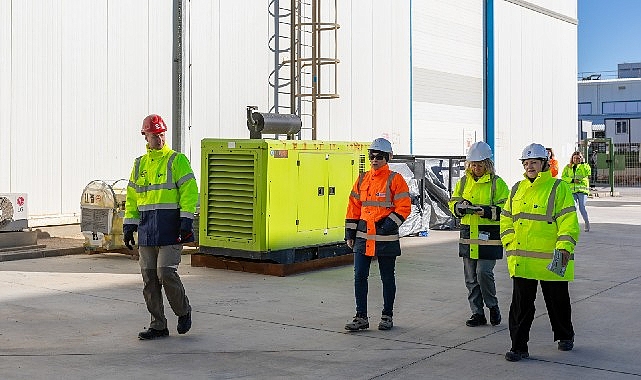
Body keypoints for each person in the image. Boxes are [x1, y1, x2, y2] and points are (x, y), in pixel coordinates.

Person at [500, 143, 579, 362]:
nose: (529, 166)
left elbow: (568, 222)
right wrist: (509, 242)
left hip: (551, 257)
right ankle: (518, 347)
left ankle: (565, 335)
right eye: (526, 163)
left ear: (544, 164)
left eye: (533, 162)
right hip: (522, 259)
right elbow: (506, 218)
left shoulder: (557, 187)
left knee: (558, 302)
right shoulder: (516, 189)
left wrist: (564, 247)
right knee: (520, 307)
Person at [123, 114, 199, 340]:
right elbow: (132, 197)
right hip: (147, 230)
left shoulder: (177, 160)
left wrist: (186, 220)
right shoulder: (139, 164)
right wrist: (129, 225)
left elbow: (189, 191)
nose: (159, 139)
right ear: (145, 136)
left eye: (162, 134)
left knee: (165, 272)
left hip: (171, 228)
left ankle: (183, 311)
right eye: (155, 135)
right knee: (149, 278)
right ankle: (158, 325)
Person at [344, 138, 411, 331]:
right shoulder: (362, 178)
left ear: (388, 157)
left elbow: (404, 207)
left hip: (385, 238)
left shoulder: (395, 179)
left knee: (387, 278)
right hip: (363, 238)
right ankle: (361, 317)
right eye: (371, 156)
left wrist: (387, 226)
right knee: (359, 277)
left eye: (379, 156)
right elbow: (353, 207)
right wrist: (350, 232)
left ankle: (387, 316)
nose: (374, 160)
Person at [449, 141, 509, 327]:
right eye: (473, 165)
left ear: (487, 164)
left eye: (479, 165)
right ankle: (477, 313)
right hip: (468, 234)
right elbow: (453, 202)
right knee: (470, 278)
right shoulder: (464, 181)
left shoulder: (497, 183)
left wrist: (486, 211)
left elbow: (506, 208)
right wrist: (460, 207)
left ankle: (492, 306)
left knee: (484, 273)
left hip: (488, 236)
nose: (476, 168)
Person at [561, 151, 591, 232]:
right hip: (572, 190)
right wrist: (572, 180)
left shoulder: (585, 166)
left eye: (578, 158)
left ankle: (586, 222)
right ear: (572, 158)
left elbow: (587, 173)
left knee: (582, 207)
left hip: (582, 190)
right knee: (573, 207)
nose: (576, 159)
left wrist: (582, 163)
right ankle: (573, 224)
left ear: (581, 158)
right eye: (574, 158)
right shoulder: (568, 167)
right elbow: (563, 177)